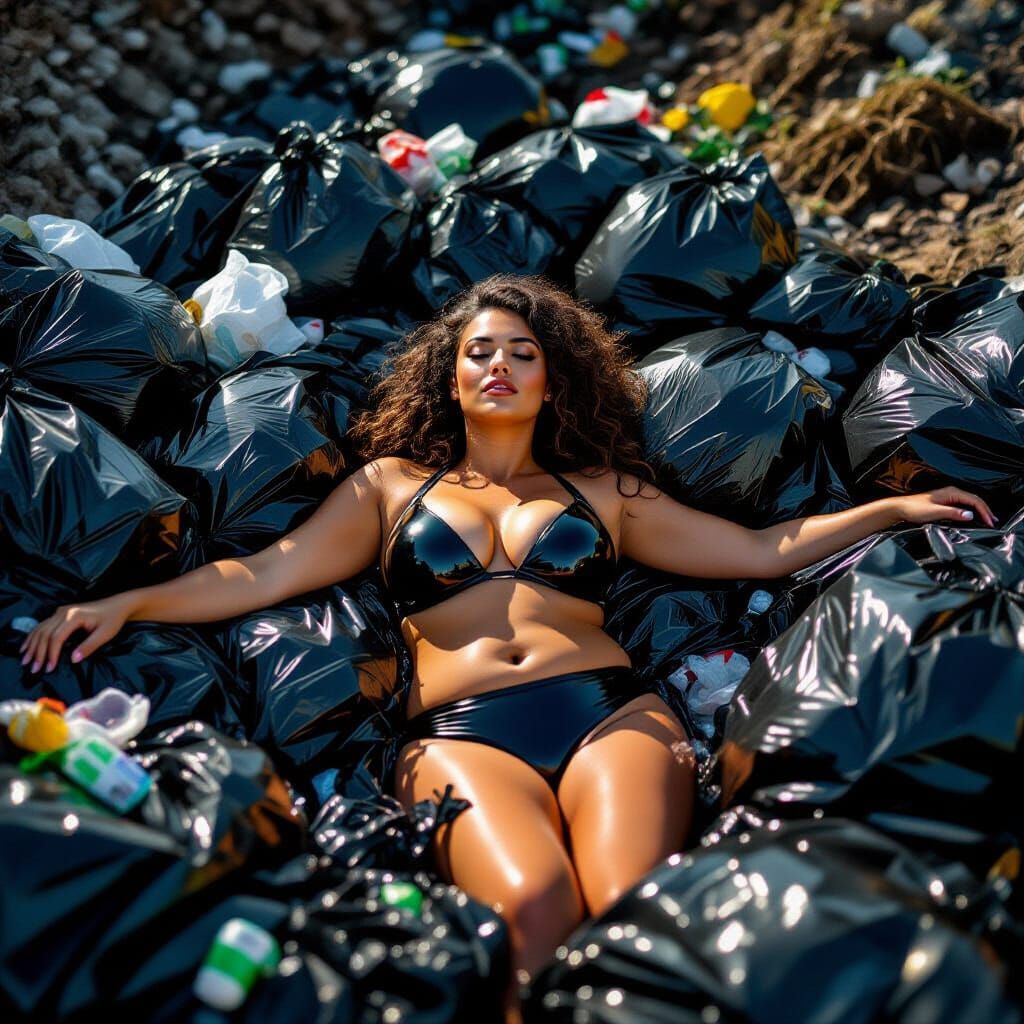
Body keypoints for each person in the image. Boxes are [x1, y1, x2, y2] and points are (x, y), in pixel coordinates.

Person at [20, 274, 996, 1022]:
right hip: (460, 734)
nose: (498, 366)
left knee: (630, 911)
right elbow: (263, 574)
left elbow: (757, 550)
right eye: (478, 351)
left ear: (552, 375)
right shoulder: (389, 486)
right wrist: (130, 602)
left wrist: (892, 507)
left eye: (522, 353)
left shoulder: (604, 489)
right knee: (533, 913)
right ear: (448, 375)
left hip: (609, 714)